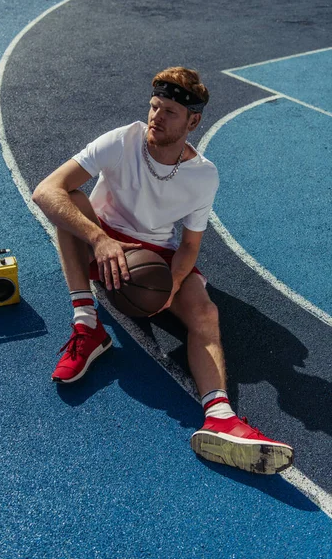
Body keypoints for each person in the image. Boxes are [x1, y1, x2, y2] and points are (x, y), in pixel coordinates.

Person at [32, 66, 294, 475]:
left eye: (170, 111)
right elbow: (45, 188)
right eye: (155, 106)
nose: (157, 116)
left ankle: (220, 417)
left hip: (154, 256)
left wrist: (170, 285)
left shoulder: (203, 175)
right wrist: (100, 240)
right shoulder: (122, 140)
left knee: (206, 314)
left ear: (193, 121)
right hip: (100, 239)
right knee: (67, 203)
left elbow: (190, 246)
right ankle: (87, 324)